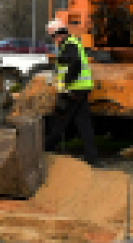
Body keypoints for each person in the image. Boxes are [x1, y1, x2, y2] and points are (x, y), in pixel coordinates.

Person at [41, 19, 102, 168]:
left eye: (53, 36)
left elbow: (75, 64)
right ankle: (92, 158)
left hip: (72, 90)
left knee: (59, 122)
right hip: (80, 89)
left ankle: (44, 150)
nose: (53, 39)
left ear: (58, 34)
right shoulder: (72, 43)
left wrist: (65, 84)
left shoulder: (68, 45)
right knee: (84, 124)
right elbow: (68, 64)